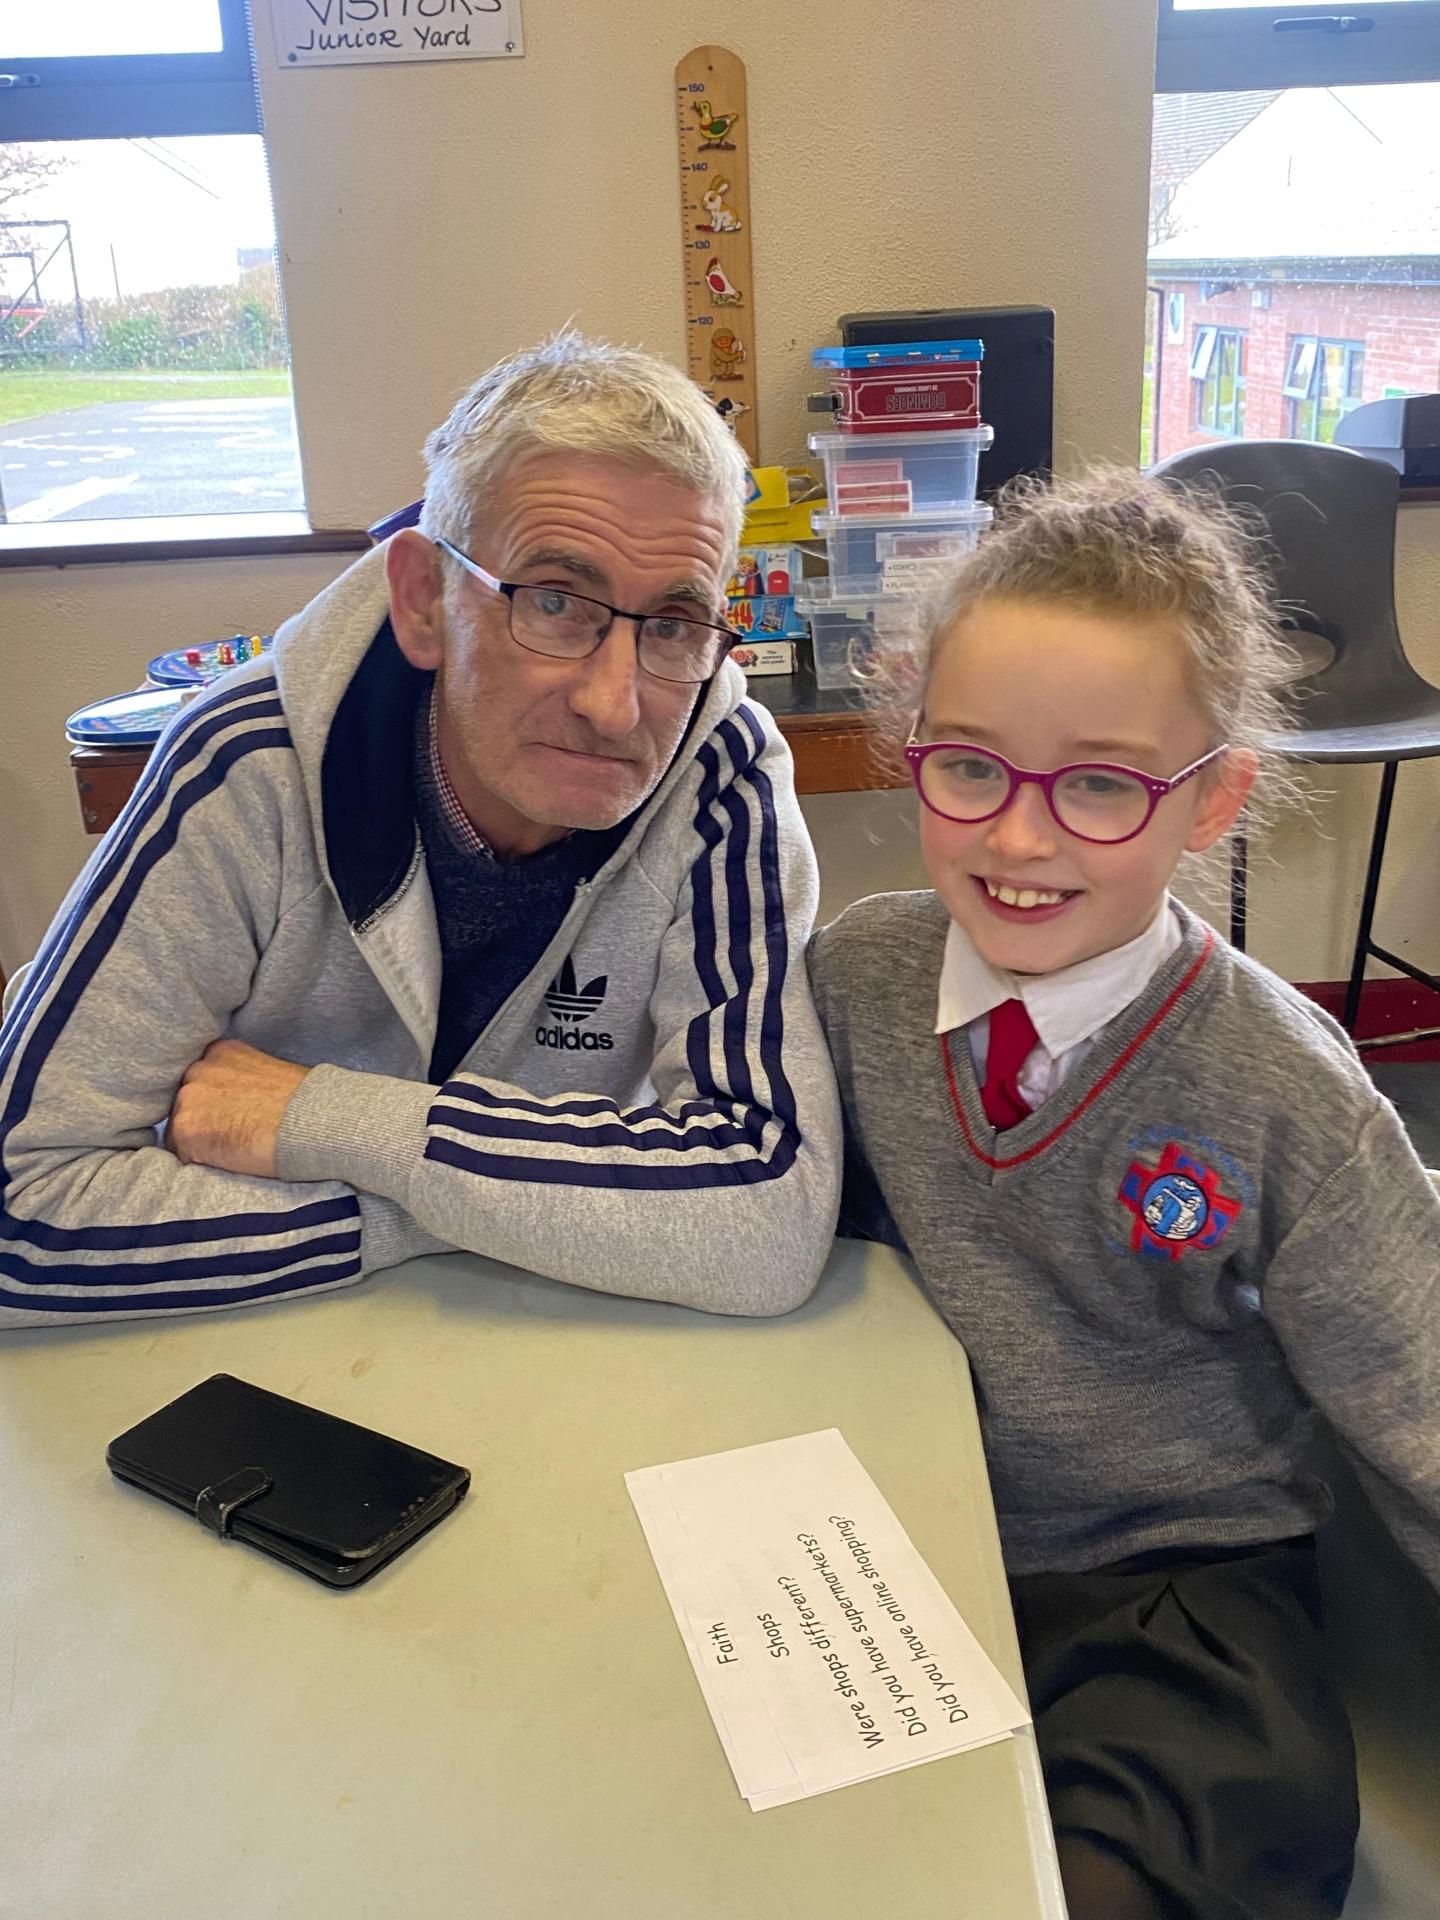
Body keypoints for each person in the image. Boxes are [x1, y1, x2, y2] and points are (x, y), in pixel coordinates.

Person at [807, 469, 1440, 1920]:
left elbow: (1424, 1397)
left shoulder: (1282, 1089)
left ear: (1212, 798)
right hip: (895, 1548)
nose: (1019, 840)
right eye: (972, 767)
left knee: (1165, 1857)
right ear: (913, 743)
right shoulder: (851, 978)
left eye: (1099, 784)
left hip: (1178, 1590)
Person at [0, 332, 840, 1326]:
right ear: (423, 601)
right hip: (254, 1350)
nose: (616, 707)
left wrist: (331, 1123)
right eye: (555, 602)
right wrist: (493, 1209)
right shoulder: (241, 768)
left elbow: (770, 1216)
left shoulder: (720, 769)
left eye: (672, 624)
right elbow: (23, 1210)